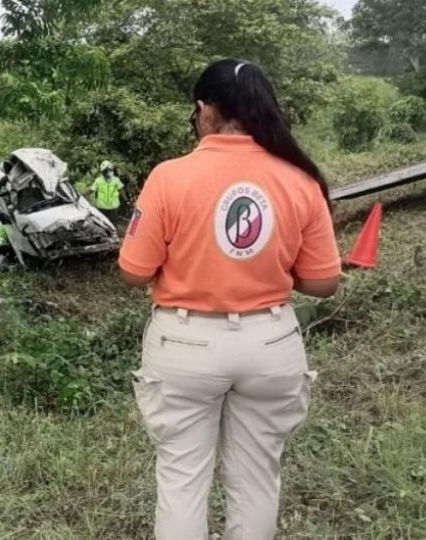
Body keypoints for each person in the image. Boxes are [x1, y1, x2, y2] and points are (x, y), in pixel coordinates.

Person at [118, 59, 340, 540]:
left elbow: (134, 272)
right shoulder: (300, 178)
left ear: (204, 110)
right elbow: (324, 282)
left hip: (185, 344)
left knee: (182, 479)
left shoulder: (168, 177)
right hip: (271, 342)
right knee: (258, 477)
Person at [90, 160, 126, 225]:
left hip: (113, 207)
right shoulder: (98, 180)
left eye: (109, 170)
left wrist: (126, 200)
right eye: (105, 171)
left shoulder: (116, 180)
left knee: (113, 224)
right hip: (101, 207)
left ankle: (114, 234)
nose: (108, 172)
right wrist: (81, 196)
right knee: (102, 224)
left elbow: (121, 190)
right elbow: (91, 190)